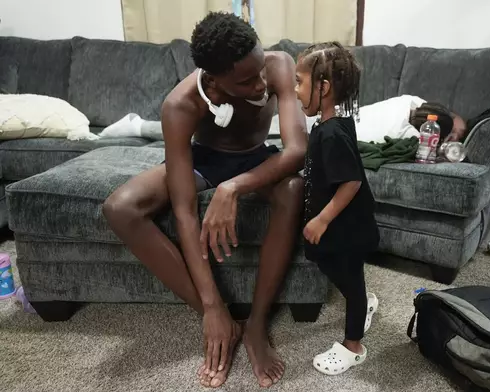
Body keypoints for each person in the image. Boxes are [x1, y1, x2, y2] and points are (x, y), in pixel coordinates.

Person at [102, 12, 307, 389]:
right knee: (120, 207)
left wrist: (233, 188)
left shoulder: (279, 65)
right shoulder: (180, 105)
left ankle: (256, 326)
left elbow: (296, 152)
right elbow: (184, 211)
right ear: (214, 80)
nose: (262, 84)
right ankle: (222, 322)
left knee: (294, 189)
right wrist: (211, 305)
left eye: (260, 70)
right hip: (207, 158)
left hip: (257, 156)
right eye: (246, 80)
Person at [294, 42, 380, 375]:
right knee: (328, 264)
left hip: (345, 226)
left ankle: (353, 346)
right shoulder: (330, 127)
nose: (296, 90)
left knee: (351, 282)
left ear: (323, 87)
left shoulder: (332, 134)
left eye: (300, 82)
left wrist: (321, 219)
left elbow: (352, 182)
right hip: (337, 224)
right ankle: (363, 302)